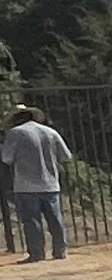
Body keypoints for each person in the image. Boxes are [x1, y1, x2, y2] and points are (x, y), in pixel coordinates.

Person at [2, 106, 71, 263]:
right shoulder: (50, 132)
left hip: (25, 184)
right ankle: (60, 250)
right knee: (55, 219)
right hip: (51, 183)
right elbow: (65, 156)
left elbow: (6, 158)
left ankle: (36, 253)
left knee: (32, 220)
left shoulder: (16, 133)